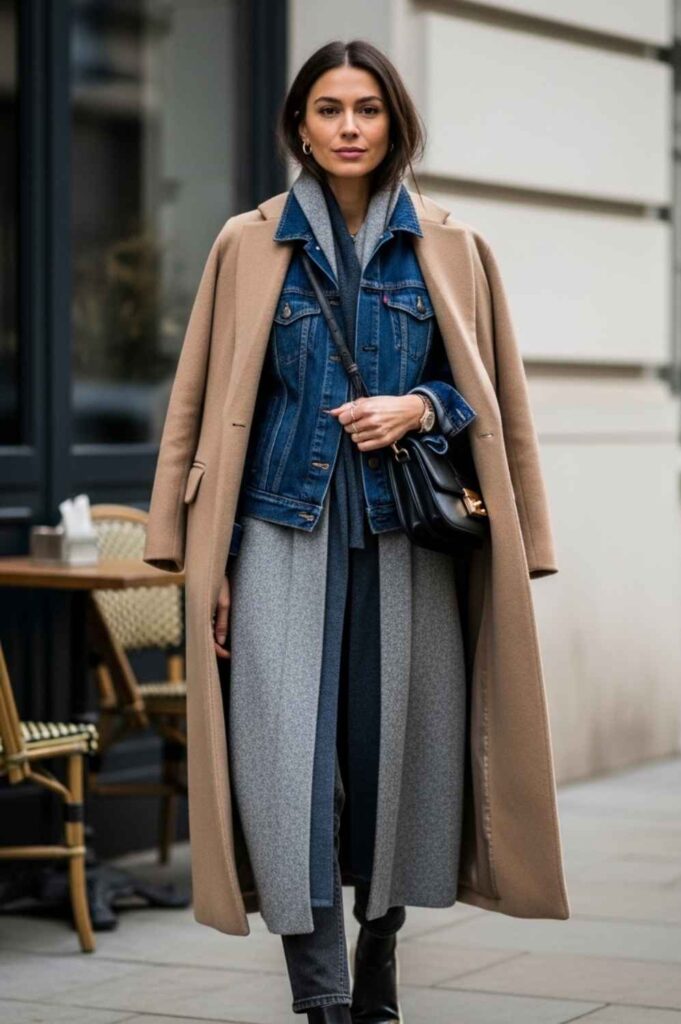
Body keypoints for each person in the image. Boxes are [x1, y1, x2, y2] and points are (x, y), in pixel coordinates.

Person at [142, 35, 570, 1024]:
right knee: (283, 767)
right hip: (276, 531)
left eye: (365, 109)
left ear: (393, 123)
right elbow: (199, 401)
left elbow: (489, 396)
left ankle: (377, 954)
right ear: (298, 123)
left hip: (404, 541)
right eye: (328, 109)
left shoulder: (452, 247)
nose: (347, 127)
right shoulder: (244, 243)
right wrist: (199, 560)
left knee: (399, 769)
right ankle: (325, 999)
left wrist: (418, 407)